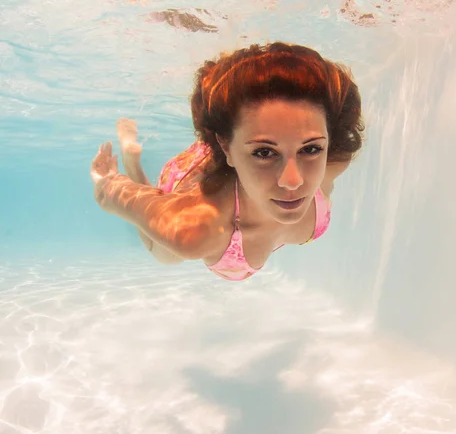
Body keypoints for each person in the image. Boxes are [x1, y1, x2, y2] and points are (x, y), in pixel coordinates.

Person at [91, 42, 364, 281]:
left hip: (235, 150)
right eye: (265, 153)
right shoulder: (194, 228)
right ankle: (132, 160)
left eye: (311, 148)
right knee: (161, 252)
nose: (293, 180)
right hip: (190, 180)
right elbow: (110, 196)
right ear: (225, 146)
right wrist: (108, 180)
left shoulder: (333, 162)